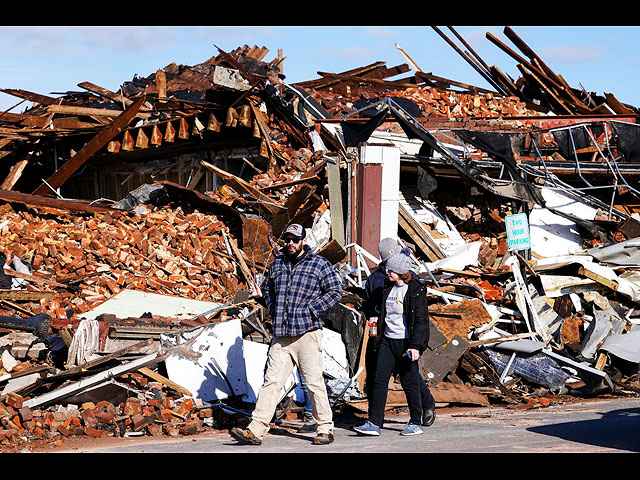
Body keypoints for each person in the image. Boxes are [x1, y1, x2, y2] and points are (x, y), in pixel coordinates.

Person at [229, 223, 343, 446]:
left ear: (303, 241)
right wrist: (269, 305)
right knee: (271, 382)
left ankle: (325, 428)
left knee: (314, 383)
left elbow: (335, 291)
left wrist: (313, 309)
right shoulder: (277, 263)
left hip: (307, 333)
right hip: (281, 335)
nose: (290, 243)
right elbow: (269, 290)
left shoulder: (319, 264)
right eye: (287, 239)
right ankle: (256, 429)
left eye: (294, 239)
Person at [354, 252, 432, 436]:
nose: (387, 272)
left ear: (401, 271)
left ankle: (415, 422)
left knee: (410, 382)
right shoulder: (387, 288)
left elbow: (421, 322)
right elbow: (382, 311)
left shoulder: (415, 291)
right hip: (387, 341)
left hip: (406, 343)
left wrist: (416, 346)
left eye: (391, 269)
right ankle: (374, 422)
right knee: (379, 380)